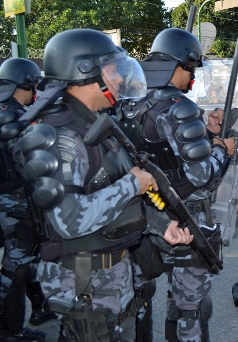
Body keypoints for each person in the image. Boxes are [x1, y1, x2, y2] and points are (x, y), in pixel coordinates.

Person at [15, 29, 192, 342]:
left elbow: (111, 195)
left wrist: (159, 224)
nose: (120, 77)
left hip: (112, 271)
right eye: (112, 68)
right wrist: (131, 185)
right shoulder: (62, 137)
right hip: (83, 279)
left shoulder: (95, 122)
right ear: (86, 71)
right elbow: (70, 220)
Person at [118, 28, 235, 342]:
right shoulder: (177, 106)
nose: (192, 78)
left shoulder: (128, 101)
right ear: (181, 65)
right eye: (192, 69)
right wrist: (224, 149)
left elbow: (159, 152)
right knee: (190, 307)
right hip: (185, 216)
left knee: (136, 298)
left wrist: (207, 135)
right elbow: (200, 175)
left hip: (140, 214)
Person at [0, 58, 55, 341]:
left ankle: (32, 314)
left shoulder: (6, 110)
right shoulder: (13, 115)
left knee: (21, 263)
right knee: (16, 268)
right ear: (28, 84)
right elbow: (29, 161)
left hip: (9, 200)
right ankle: (9, 330)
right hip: (14, 200)